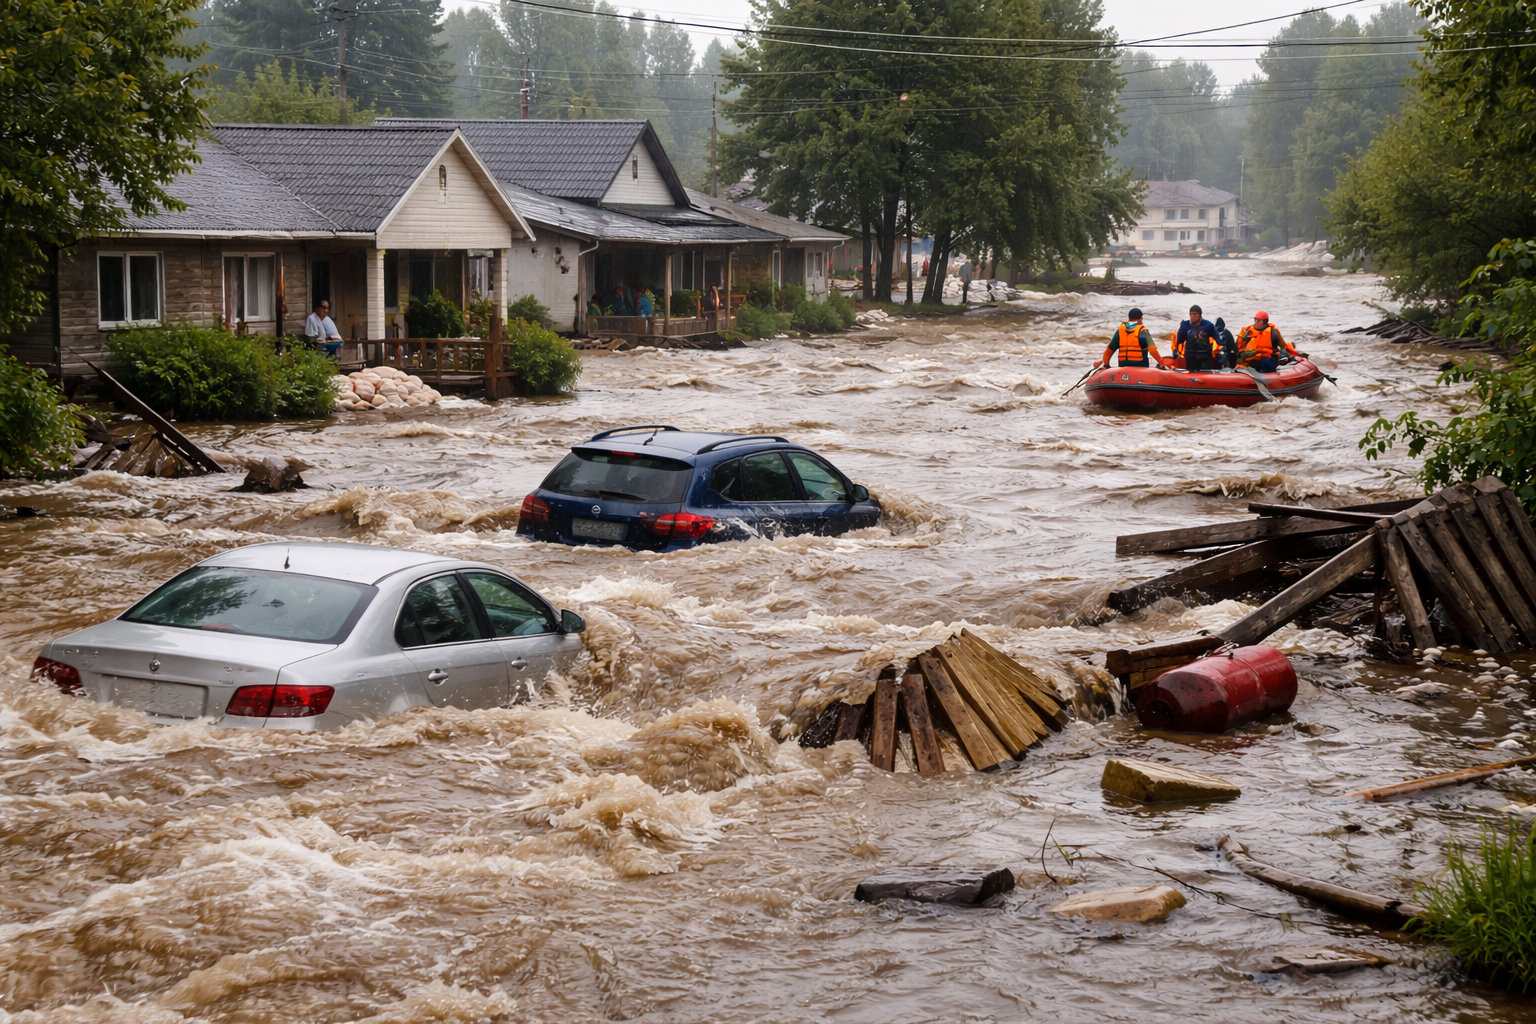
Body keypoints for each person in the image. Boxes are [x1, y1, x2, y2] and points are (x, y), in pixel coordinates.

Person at [1098, 308, 1169, 368]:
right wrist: (1162, 363)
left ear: (1128, 318)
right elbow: (1153, 351)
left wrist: (1106, 365)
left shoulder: (1120, 330)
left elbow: (1109, 350)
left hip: (1123, 368)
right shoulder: (1143, 331)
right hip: (1141, 368)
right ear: (1141, 318)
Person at [1176, 304, 1220, 371]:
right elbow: (1179, 340)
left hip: (1205, 356)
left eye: (1195, 314)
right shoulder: (1185, 326)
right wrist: (1175, 351)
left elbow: (1218, 339)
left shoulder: (1208, 325)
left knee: (1205, 375)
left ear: (1200, 315)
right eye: (1191, 314)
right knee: (1192, 377)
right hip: (1191, 356)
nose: (1192, 316)